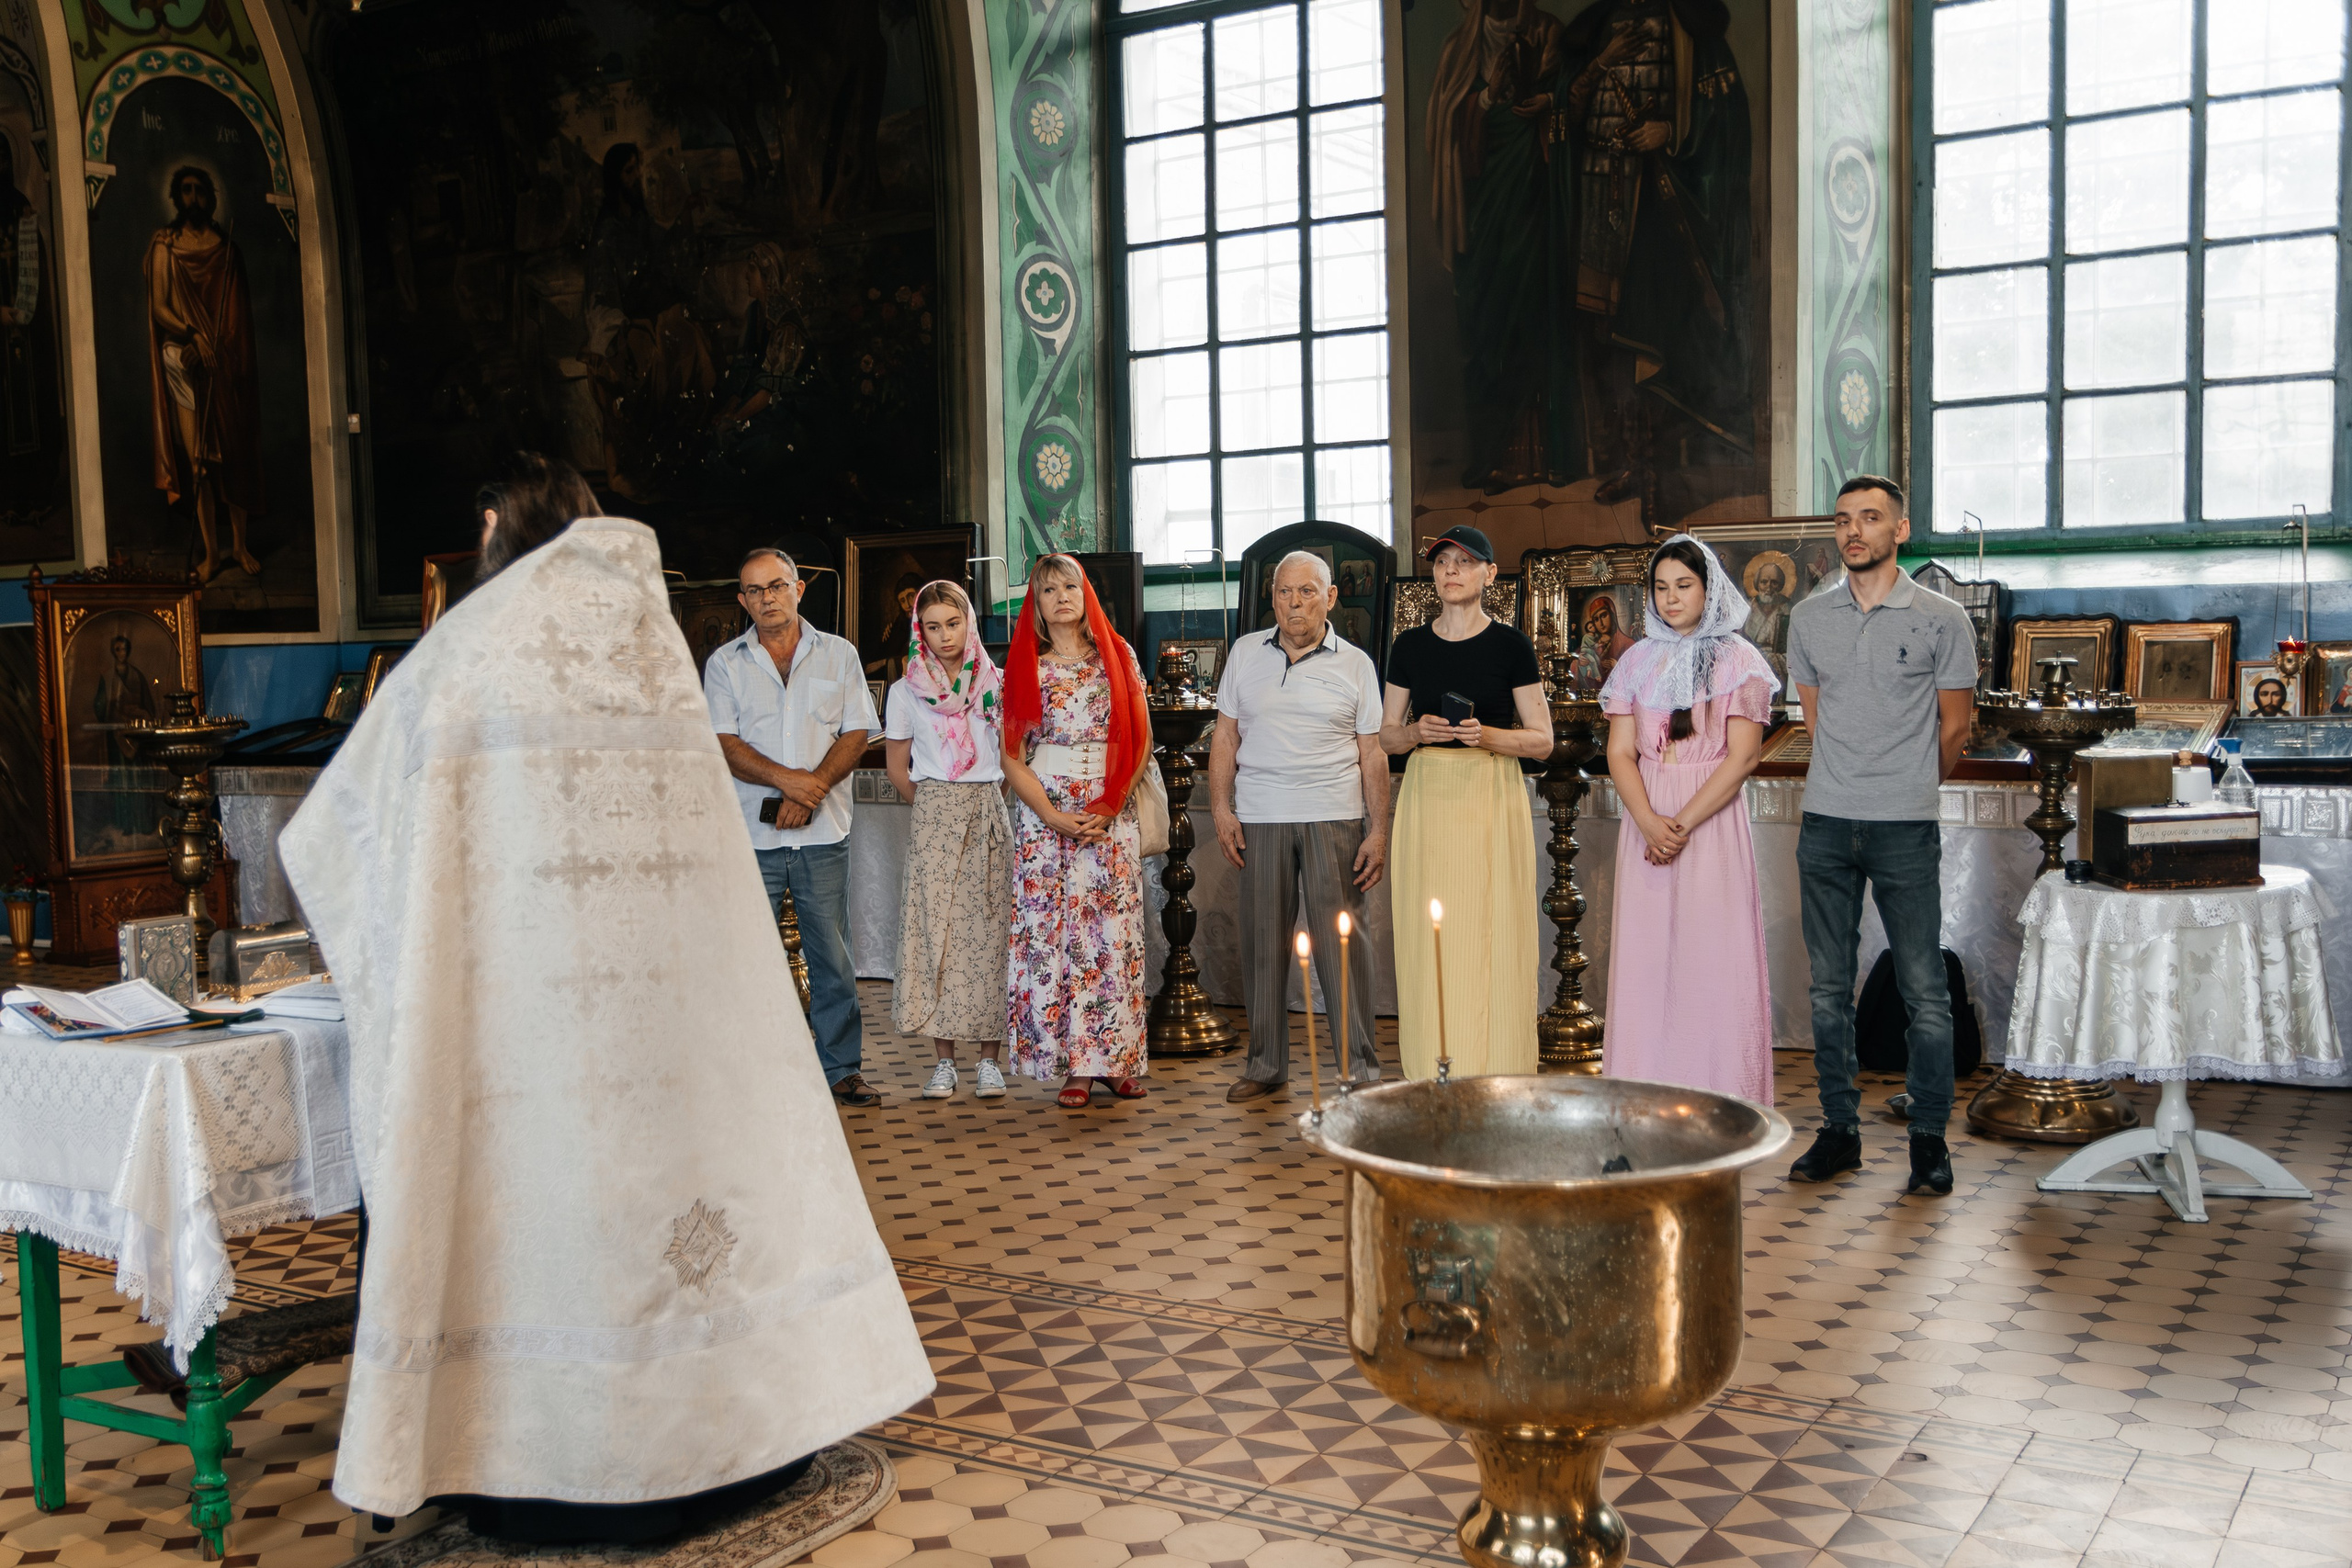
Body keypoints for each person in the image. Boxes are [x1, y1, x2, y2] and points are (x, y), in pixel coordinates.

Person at [277, 482, 932, 1540]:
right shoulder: (660, 655)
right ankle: (724, 1439)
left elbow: (334, 834)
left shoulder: (470, 653)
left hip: (532, 1021)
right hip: (676, 1019)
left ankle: (540, 1453)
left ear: (499, 543)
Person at [1784, 475, 1977, 1197]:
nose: (1853, 531)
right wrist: (1854, 780)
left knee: (1926, 991)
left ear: (1901, 530)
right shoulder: (1807, 617)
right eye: (1842, 520)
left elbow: (1955, 728)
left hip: (1905, 826)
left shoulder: (1941, 618)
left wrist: (1905, 789)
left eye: (1870, 518)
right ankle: (1839, 1130)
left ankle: (1928, 1140)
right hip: (1827, 822)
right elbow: (1815, 718)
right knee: (1828, 988)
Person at [1600, 535, 1777, 1101]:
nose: (1671, 599)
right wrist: (1650, 821)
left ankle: (1721, 1098)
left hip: (1709, 821)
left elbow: (1743, 756)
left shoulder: (1741, 660)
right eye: (1661, 587)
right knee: (1647, 961)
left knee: (1711, 958)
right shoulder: (1635, 659)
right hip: (1646, 820)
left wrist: (1679, 824)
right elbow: (1620, 752)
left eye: (1685, 586)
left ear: (1709, 589)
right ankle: (1643, 1097)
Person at [705, 546, 883, 1108]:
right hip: (750, 838)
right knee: (747, 953)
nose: (767, 598)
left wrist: (813, 791)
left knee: (831, 954)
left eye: (776, 586)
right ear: (742, 600)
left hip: (823, 832)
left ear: (799, 588)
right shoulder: (724, 663)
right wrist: (792, 783)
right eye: (754, 591)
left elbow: (857, 733)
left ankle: (840, 1070)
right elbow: (724, 743)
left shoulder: (839, 655)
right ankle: (752, 1072)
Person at [1209, 549, 1389, 1101]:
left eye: (1307, 592)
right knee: (1262, 945)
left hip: (1334, 816)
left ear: (1331, 598)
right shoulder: (1244, 653)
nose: (1294, 604)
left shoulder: (1356, 663)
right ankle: (1265, 1066)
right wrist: (1221, 808)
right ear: (1273, 599)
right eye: (1284, 593)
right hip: (1261, 816)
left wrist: (1377, 830)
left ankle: (1358, 1070)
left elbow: (1372, 753)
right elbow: (1224, 737)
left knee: (1342, 946)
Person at [1380, 525, 1554, 1078]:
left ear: (1489, 574)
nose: (1450, 570)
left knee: (1492, 931)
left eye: (1464, 561)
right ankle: (1431, 1075)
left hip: (1489, 793)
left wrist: (1487, 736)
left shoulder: (1511, 645)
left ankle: (1498, 1072)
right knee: (1429, 934)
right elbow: (1385, 736)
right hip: (1428, 797)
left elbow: (1542, 740)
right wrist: (1416, 733)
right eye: (1441, 562)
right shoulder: (1408, 645)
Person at [1002, 553, 1152, 1109]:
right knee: (1061, 940)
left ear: (1086, 592)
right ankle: (1075, 1067)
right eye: (1048, 590)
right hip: (1049, 818)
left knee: (1113, 940)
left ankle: (1115, 1060)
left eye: (1071, 585)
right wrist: (1052, 816)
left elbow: (1140, 739)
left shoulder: (1119, 655)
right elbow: (1013, 757)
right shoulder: (1027, 666)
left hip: (1110, 811)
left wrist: (1112, 804)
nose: (1061, 596)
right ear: (1036, 605)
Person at [885, 581, 1012, 1100]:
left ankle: (988, 1060)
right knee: (934, 933)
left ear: (969, 622)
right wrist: (937, 807)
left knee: (988, 931)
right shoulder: (905, 689)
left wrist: (982, 796)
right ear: (921, 630)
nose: (944, 636)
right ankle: (944, 1062)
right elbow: (898, 769)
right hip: (935, 807)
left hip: (986, 805)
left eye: (953, 624)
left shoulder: (996, 682)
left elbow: (1009, 758)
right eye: (932, 627)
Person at [145, 165, 263, 585]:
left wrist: (212, 345)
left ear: (210, 198)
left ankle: (241, 545)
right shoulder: (166, 246)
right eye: (186, 191)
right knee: (199, 463)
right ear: (177, 198)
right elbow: (160, 307)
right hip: (182, 359)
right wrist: (192, 334)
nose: (193, 198)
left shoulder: (227, 251)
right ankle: (213, 554)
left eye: (200, 191)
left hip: (222, 361)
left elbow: (236, 322)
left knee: (232, 456)